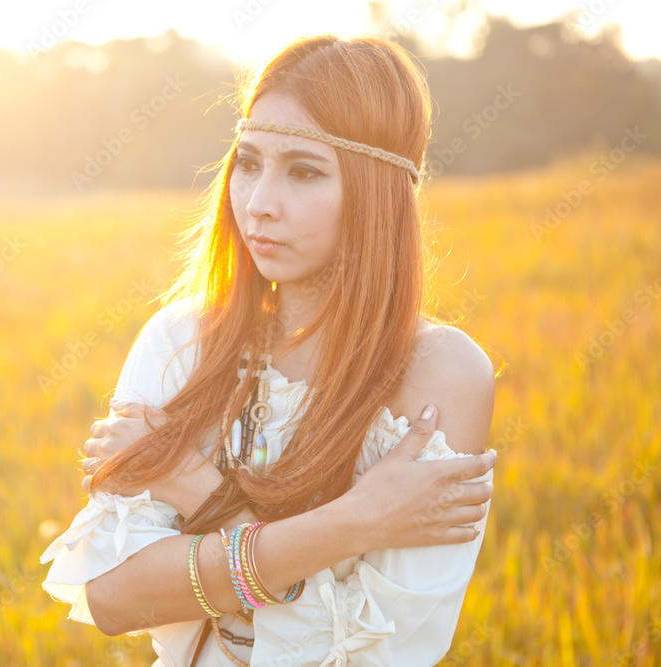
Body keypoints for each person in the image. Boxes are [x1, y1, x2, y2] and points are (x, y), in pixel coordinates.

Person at [40, 33, 500, 666]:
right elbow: (115, 598)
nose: (258, 204)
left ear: (379, 193)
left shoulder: (441, 375)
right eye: (249, 163)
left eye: (304, 171)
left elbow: (371, 654)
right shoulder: (180, 341)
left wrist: (193, 494)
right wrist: (353, 524)